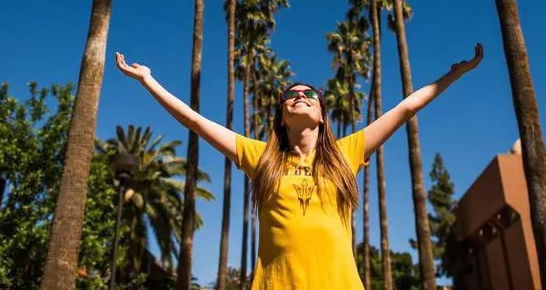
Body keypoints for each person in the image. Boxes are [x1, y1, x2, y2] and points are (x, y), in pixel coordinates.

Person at [115, 43, 483, 289]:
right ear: (281, 113)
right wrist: (149, 80)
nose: (300, 97)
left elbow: (405, 108)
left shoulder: (345, 153)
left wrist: (454, 75)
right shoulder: (262, 157)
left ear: (322, 115)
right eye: (291, 95)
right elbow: (197, 123)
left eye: (309, 95)